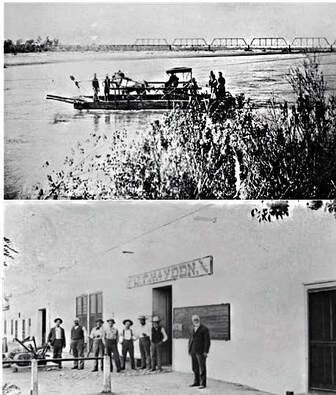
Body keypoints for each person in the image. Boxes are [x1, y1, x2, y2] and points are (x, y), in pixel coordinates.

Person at [188, 315, 211, 389]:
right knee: (194, 367)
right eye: (194, 320)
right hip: (193, 351)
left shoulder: (204, 329)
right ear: (192, 321)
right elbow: (190, 340)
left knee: (202, 368)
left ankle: (203, 383)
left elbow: (207, 341)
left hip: (201, 352)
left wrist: (205, 351)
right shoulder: (191, 328)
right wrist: (189, 349)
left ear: (199, 320)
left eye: (197, 319)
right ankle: (196, 382)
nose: (195, 321)